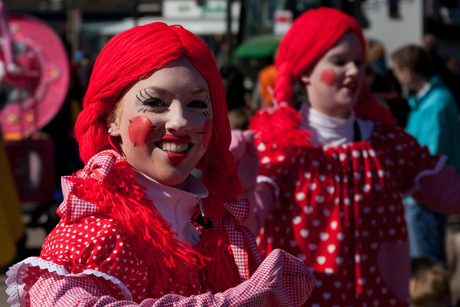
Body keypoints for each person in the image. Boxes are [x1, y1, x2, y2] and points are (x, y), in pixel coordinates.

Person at [5, 22, 315, 306]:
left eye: (196, 104)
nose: (180, 121)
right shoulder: (96, 233)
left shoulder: (214, 229)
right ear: (111, 119)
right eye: (155, 102)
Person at [237, 7, 460, 307]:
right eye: (339, 62)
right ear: (305, 71)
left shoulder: (387, 142)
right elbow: (248, 217)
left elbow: (446, 189)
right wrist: (240, 186)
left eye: (358, 62)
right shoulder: (278, 145)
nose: (354, 71)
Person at [391, 44, 460, 267]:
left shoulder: (436, 102)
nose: (397, 77)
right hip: (419, 192)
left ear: (408, 72)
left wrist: (411, 192)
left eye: (397, 71)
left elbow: (432, 153)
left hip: (424, 194)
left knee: (427, 265)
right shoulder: (426, 100)